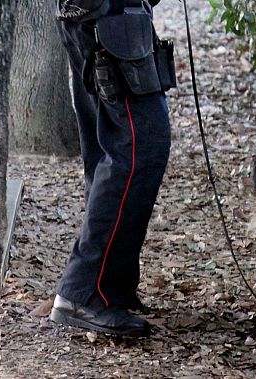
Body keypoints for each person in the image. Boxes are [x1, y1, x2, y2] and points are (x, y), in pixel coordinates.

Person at [49, 0, 174, 337]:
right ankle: (86, 292)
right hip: (107, 20)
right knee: (138, 145)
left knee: (109, 148)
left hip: (96, 19)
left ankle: (108, 288)